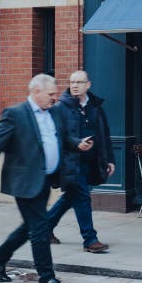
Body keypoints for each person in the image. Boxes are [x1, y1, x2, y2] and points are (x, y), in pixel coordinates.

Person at [0, 74, 81, 283]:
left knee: (31, 225)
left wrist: (78, 144)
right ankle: (46, 279)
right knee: (40, 228)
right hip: (24, 181)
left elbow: (63, 139)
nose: (55, 98)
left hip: (45, 180)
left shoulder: (54, 113)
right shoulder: (15, 114)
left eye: (56, 94)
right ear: (35, 91)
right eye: (50, 94)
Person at [48, 70, 115, 253]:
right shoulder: (61, 107)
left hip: (90, 162)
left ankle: (44, 228)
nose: (75, 85)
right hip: (70, 162)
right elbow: (58, 136)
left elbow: (104, 135)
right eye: (72, 82)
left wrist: (109, 159)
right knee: (83, 198)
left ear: (88, 84)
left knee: (71, 197)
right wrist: (76, 144)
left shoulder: (96, 107)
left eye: (79, 82)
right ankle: (90, 239)